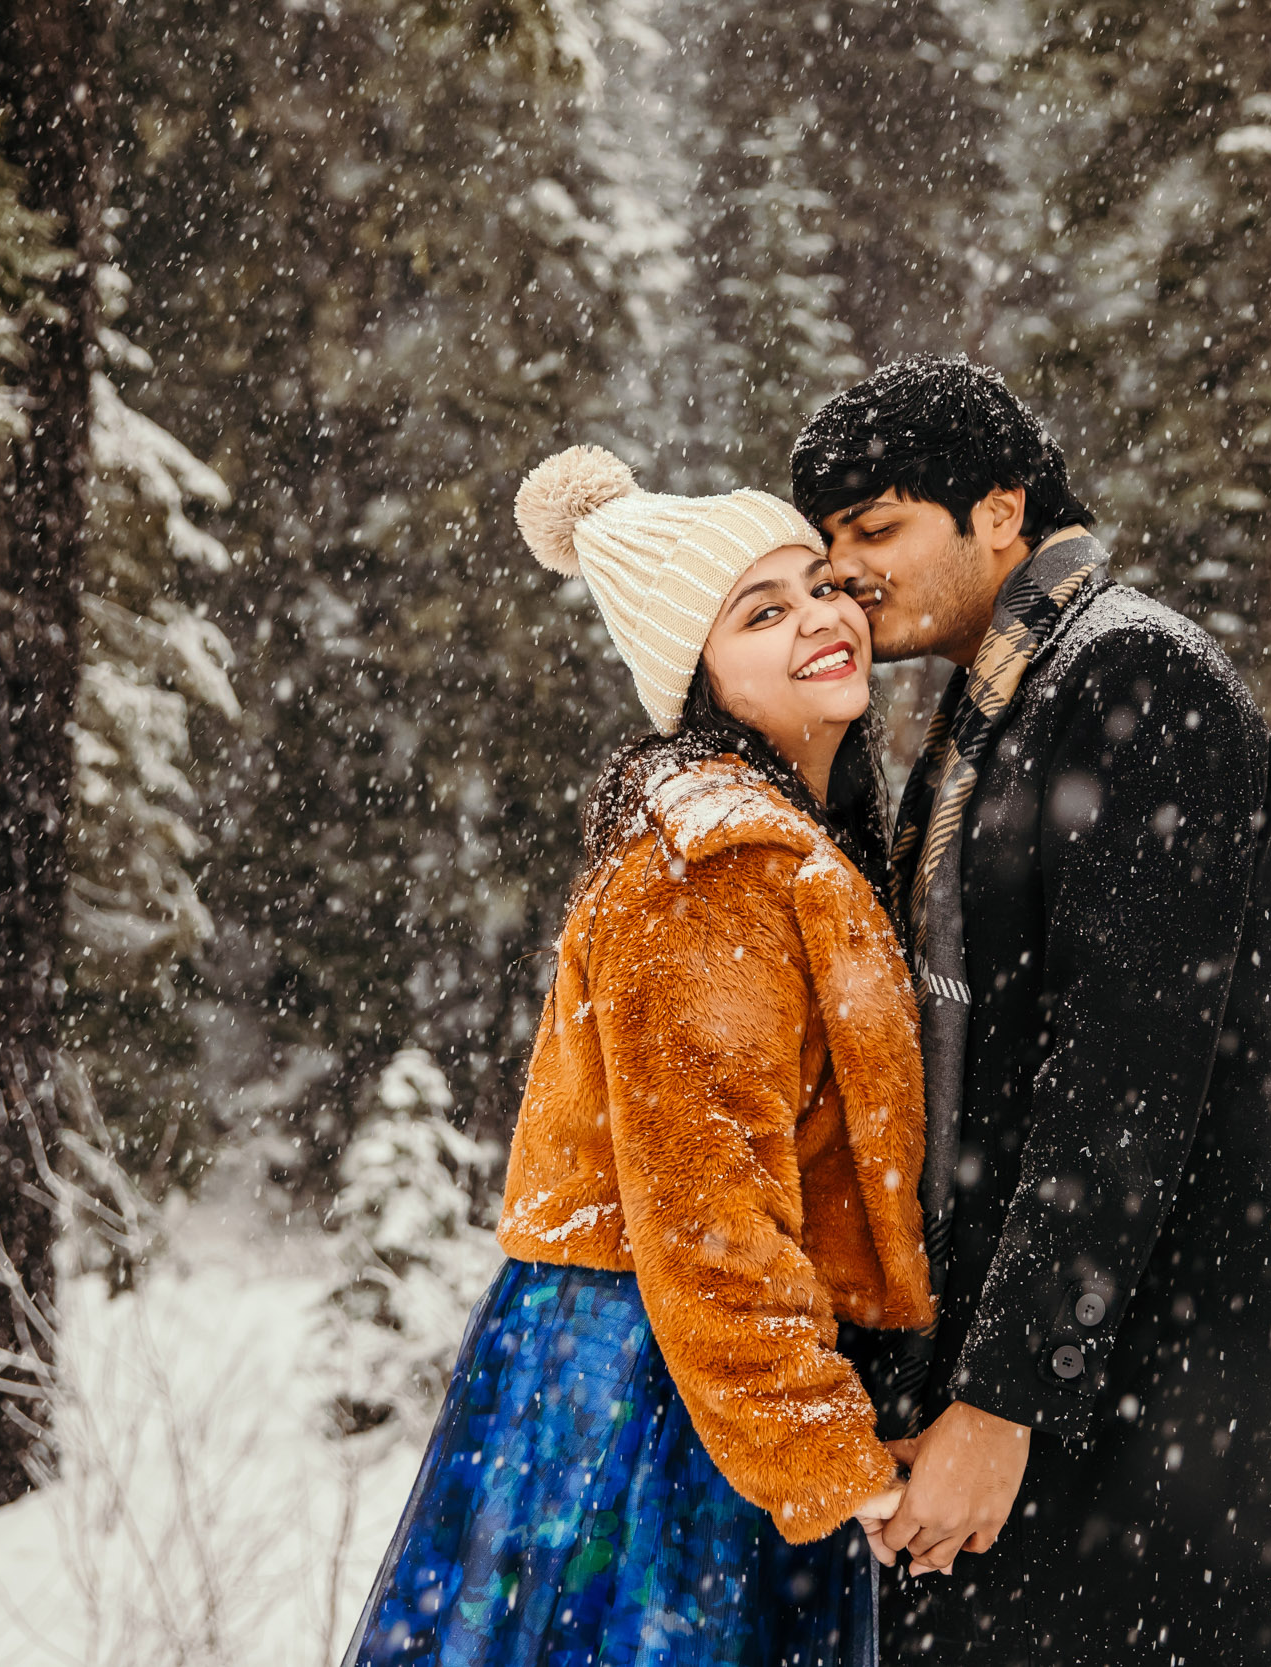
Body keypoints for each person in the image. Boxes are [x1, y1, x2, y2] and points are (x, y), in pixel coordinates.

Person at [790, 357, 1271, 1667]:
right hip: (1085, 1384)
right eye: (828, 543)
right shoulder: (995, 711)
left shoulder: (1136, 682)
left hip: (1163, 1398)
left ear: (1000, 512)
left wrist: (1003, 1396)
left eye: (875, 529)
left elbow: (1125, 1081)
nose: (848, 570)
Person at [342, 446, 935, 1667]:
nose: (822, 616)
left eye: (822, 584)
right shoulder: (705, 877)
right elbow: (706, 1213)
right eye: (762, 610)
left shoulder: (780, 847)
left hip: (698, 1377)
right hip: (651, 1395)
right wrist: (830, 1457)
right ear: (697, 672)